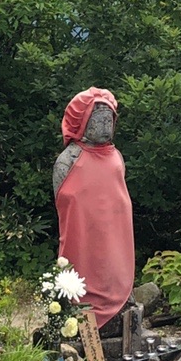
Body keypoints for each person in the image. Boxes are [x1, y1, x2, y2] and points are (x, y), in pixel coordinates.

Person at [53, 86, 135, 329]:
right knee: (80, 264)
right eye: (97, 119)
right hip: (83, 231)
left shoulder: (115, 157)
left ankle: (121, 297)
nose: (104, 125)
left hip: (115, 230)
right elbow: (65, 202)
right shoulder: (68, 160)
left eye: (108, 118)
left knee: (116, 264)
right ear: (83, 121)